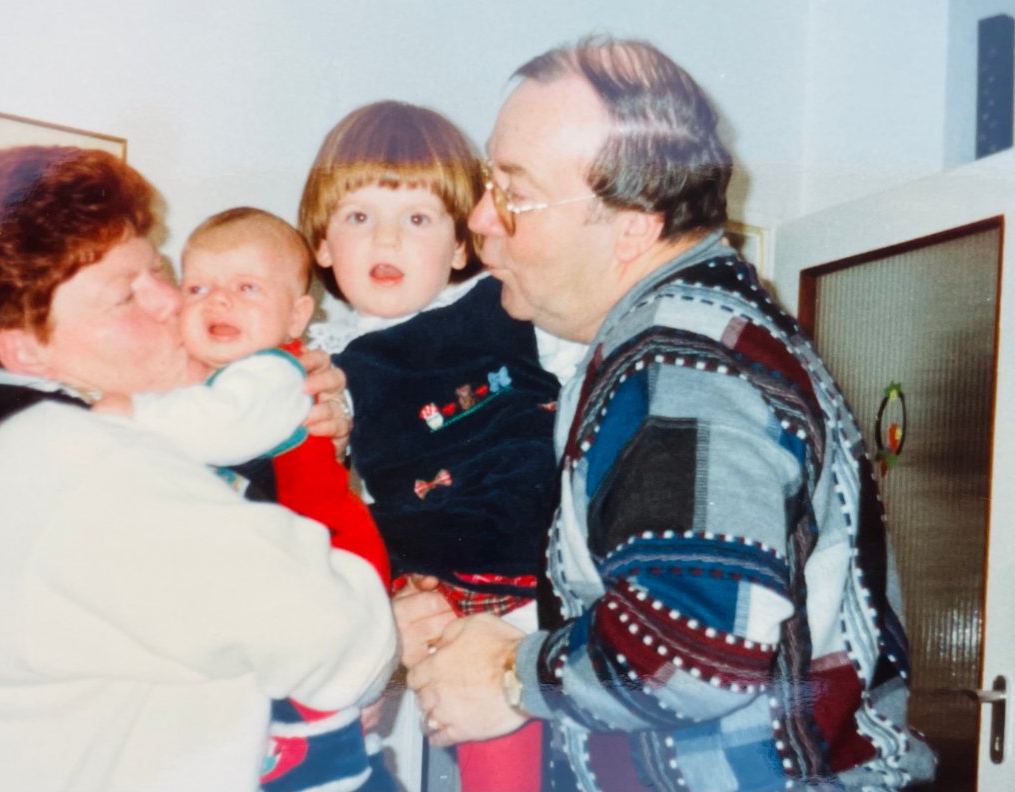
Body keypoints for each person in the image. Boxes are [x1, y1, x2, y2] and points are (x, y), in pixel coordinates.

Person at [404, 37, 936, 791]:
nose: (482, 217)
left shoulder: (679, 363)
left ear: (632, 224)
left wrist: (508, 678)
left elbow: (692, 651)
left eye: (515, 193)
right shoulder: (698, 335)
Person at [0, 145, 396, 792]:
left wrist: (299, 439)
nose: (171, 303)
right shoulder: (71, 463)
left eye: (158, 270)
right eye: (125, 295)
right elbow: (343, 635)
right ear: (27, 350)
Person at [299, 100, 584, 792]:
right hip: (433, 588)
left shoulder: (505, 304)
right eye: (359, 217)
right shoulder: (331, 367)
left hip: (538, 577)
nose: (386, 240)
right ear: (323, 244)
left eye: (417, 219)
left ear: (462, 244)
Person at [94, 206, 395, 792]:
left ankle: (330, 765)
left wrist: (131, 413)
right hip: (299, 580)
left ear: (297, 314)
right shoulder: (218, 377)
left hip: (335, 561)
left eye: (247, 287)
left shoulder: (273, 373)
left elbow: (221, 426)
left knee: (316, 717)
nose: (219, 302)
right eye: (198, 288)